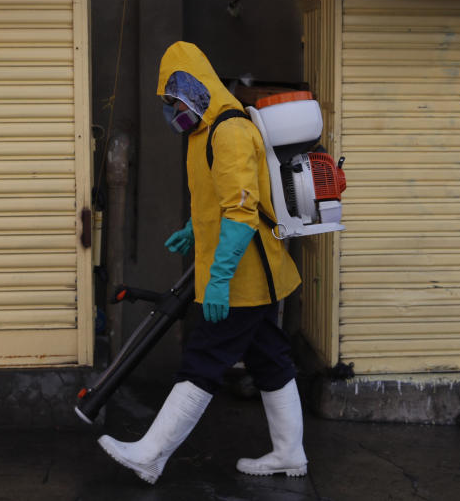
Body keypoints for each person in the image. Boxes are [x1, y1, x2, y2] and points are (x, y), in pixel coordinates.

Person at [96, 41, 308, 484]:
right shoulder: (203, 132)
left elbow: (242, 210)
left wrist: (219, 281)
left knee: (204, 359)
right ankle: (290, 454)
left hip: (244, 278)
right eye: (168, 102)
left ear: (197, 87)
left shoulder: (228, 131)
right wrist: (195, 229)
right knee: (269, 358)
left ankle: (150, 454)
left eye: (176, 99)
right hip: (255, 273)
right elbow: (218, 196)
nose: (174, 110)